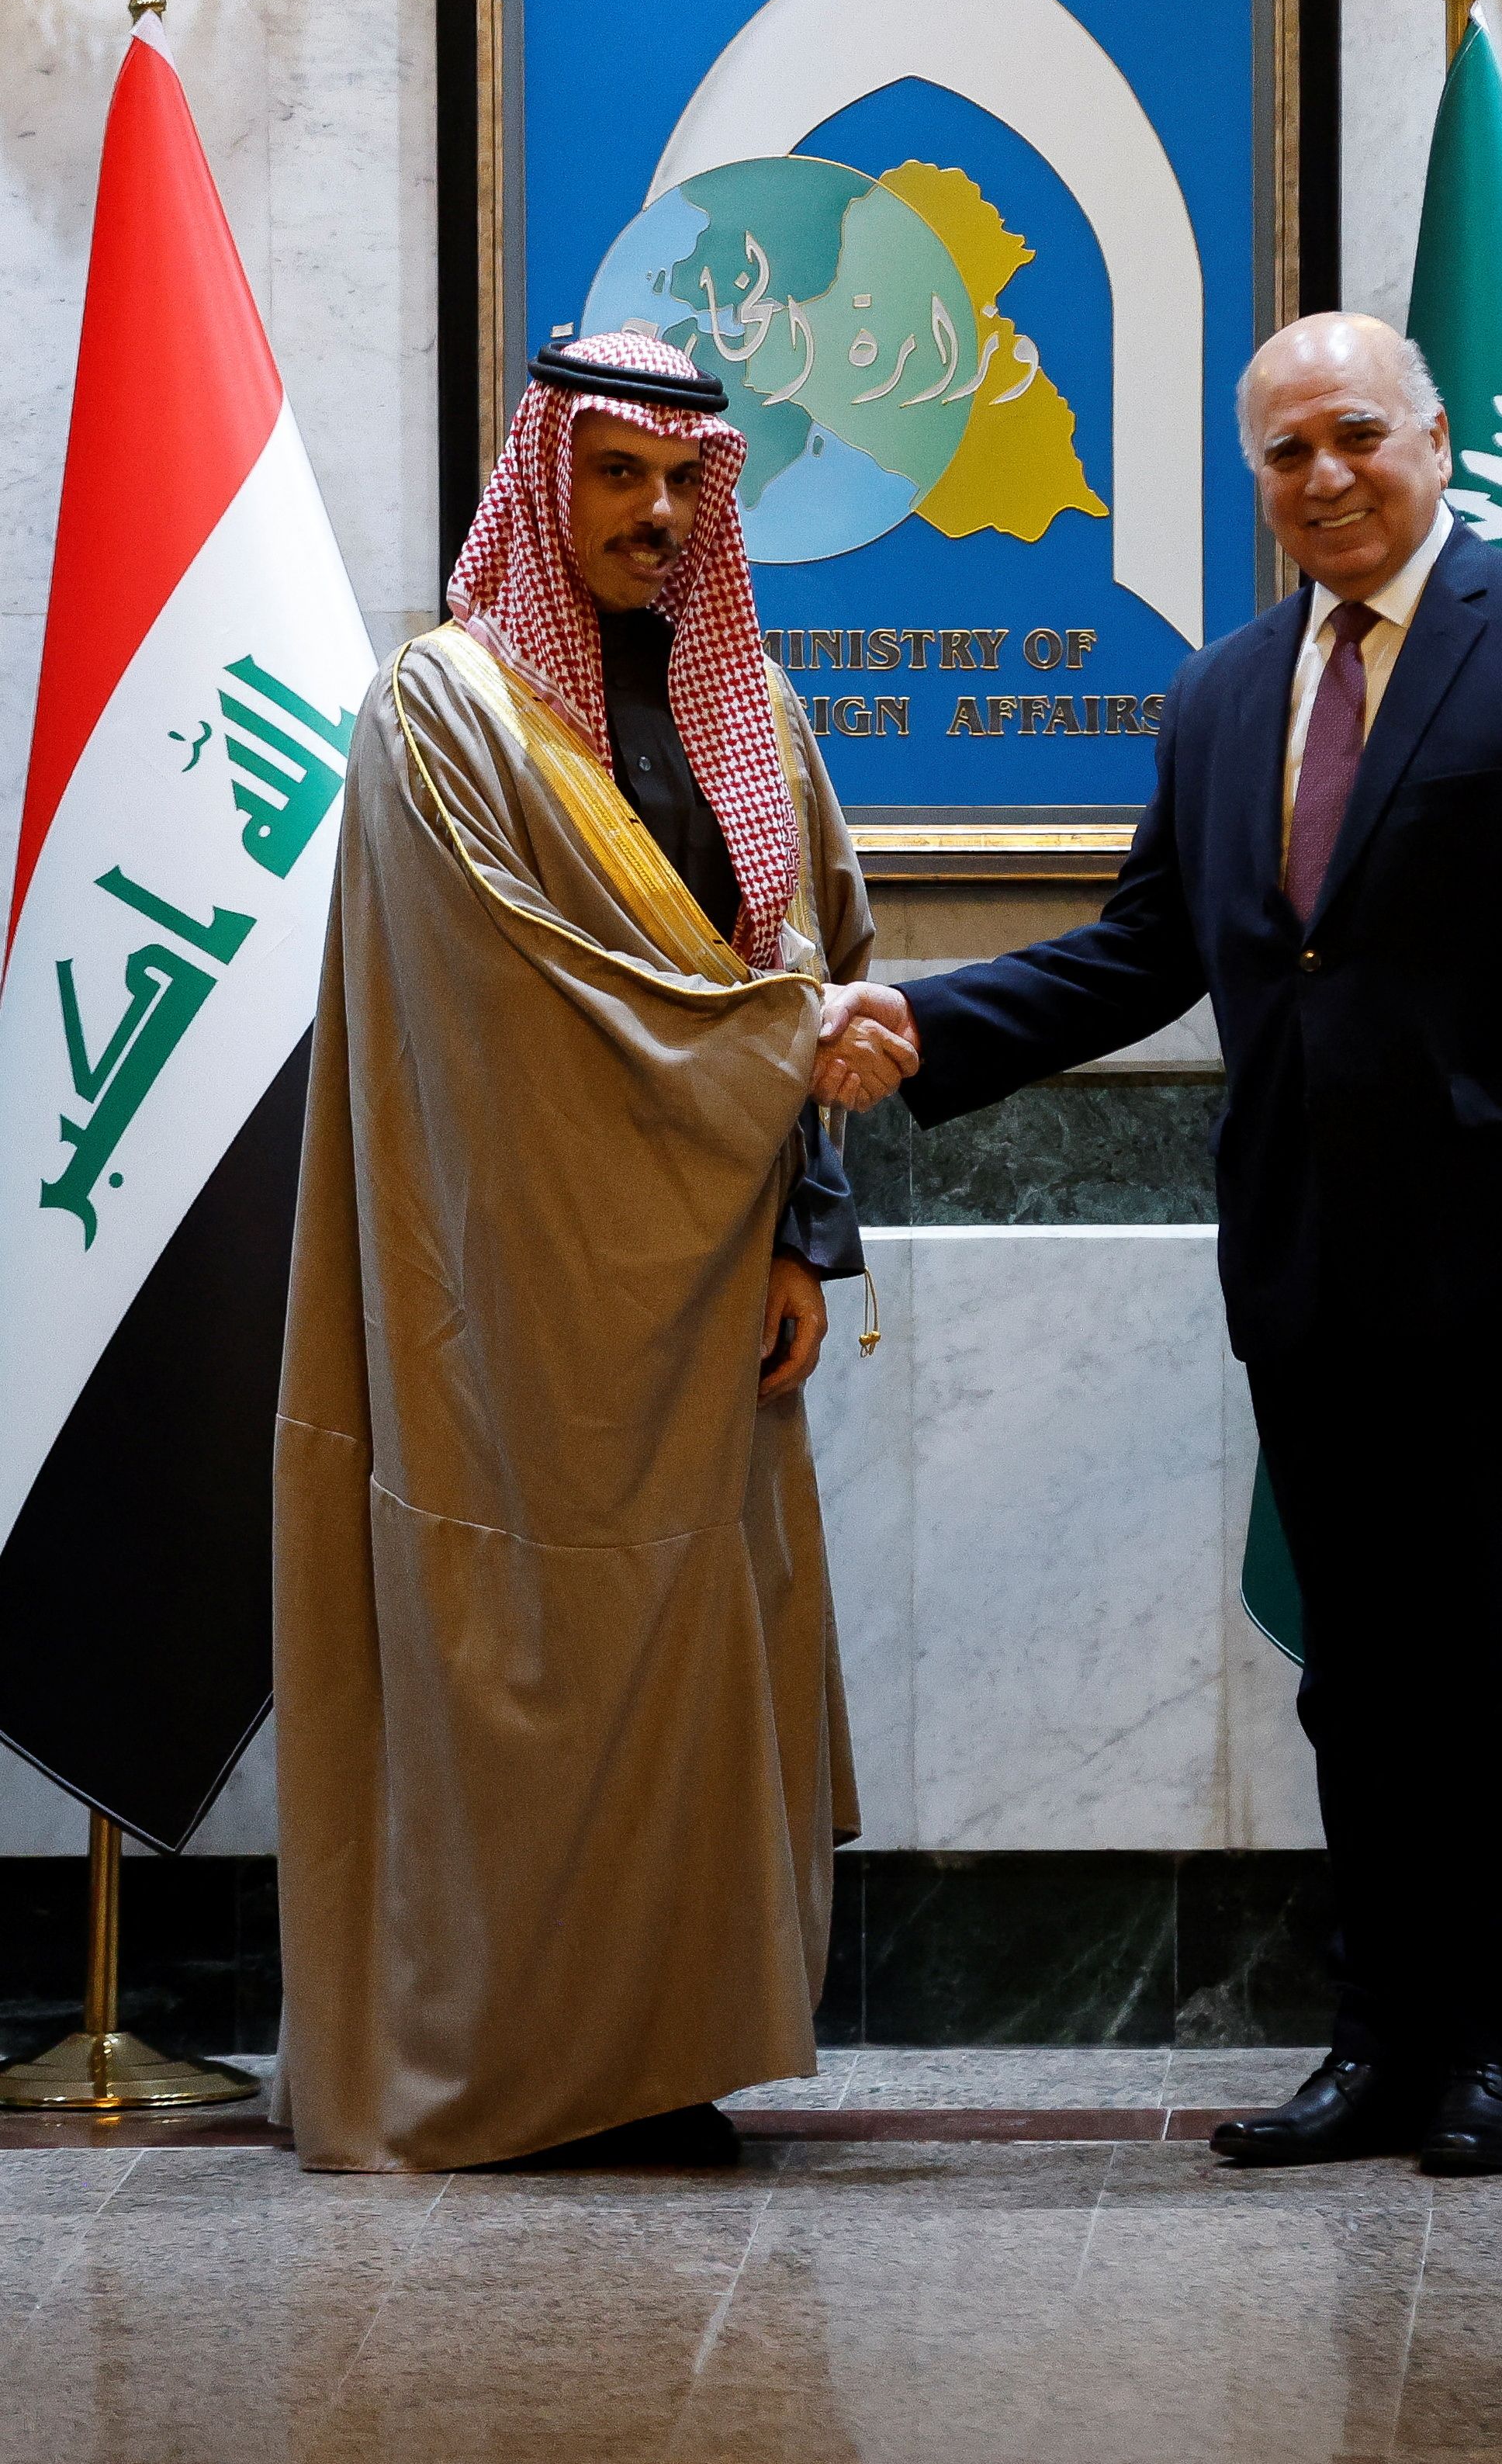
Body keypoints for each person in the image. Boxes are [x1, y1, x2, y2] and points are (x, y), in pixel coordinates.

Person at [820, 314, 1502, 2177]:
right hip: (1307, 1271)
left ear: (1432, 438)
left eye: (1354, 436)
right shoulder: (1226, 692)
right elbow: (1147, 947)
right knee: (1358, 1677)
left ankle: (1493, 2054)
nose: (1323, 476)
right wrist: (928, 1023)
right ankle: (1374, 2043)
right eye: (1285, 453)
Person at [273, 330, 910, 2173]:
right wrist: (784, 1046)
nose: (652, 512)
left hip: (711, 1303)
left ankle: (654, 2055)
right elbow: (512, 1002)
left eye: (682, 480)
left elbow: (807, 960)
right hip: (501, 1307)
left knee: (696, 1663)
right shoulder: (441, 715)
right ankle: (506, 2063)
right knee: (513, 1654)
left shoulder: (755, 711)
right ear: (543, 480)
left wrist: (802, 1225)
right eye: (615, 473)